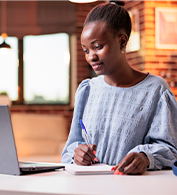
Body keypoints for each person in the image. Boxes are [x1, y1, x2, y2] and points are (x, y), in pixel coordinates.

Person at [61, 1, 177, 175]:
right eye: (86, 50)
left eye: (97, 47)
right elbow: (71, 148)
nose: (91, 57)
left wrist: (146, 157)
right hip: (87, 187)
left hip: (133, 188)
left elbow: (170, 149)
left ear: (122, 42)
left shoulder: (156, 91)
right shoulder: (87, 90)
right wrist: (77, 154)